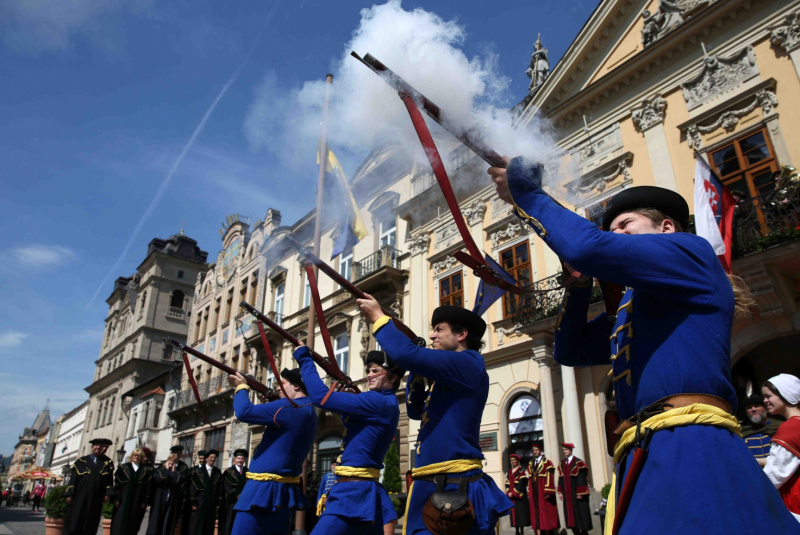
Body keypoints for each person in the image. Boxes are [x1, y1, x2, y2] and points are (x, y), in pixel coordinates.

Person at [488, 159, 800, 533]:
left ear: (666, 228)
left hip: (689, 441)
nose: (616, 234)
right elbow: (569, 351)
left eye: (625, 225)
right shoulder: (634, 305)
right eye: (612, 229)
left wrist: (528, 194)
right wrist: (579, 285)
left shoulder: (691, 251)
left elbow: (589, 247)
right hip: (644, 449)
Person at [356, 299, 512, 535]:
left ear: (462, 334)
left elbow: (402, 353)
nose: (432, 335)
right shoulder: (447, 376)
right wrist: (418, 373)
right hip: (434, 482)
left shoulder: (469, 362)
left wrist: (379, 317)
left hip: (452, 483)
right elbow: (417, 411)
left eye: (439, 329)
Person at [294, 348, 402, 535]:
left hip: (352, 491)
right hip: (361, 489)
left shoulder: (377, 401)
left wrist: (305, 359)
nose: (369, 375)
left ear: (392, 378)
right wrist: (349, 399)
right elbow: (353, 423)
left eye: (375, 371)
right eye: (368, 371)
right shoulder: (383, 402)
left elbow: (320, 397)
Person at [226, 367, 318, 535]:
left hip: (262, 489)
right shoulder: (309, 411)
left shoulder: (287, 407)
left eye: (282, 383)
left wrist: (242, 387)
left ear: (296, 386)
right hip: (284, 490)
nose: (277, 388)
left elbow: (243, 412)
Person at [763, 374, 800, 521]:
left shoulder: (790, 428)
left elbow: (774, 475)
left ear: (784, 394)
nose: (765, 401)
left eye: (768, 396)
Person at [64, 438, 115, 535]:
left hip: (96, 495)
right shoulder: (82, 461)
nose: (98, 448)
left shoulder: (107, 462)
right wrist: (69, 494)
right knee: (75, 518)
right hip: (80, 495)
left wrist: (107, 494)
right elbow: (73, 479)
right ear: (92, 447)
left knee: (92, 519)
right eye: (96, 445)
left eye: (101, 446)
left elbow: (109, 481)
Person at [112, 448, 153, 535]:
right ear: (132, 456)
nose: (136, 457)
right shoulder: (124, 468)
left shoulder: (146, 470)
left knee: (133, 521)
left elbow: (148, 487)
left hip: (137, 499)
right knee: (119, 521)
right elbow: (117, 484)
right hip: (124, 498)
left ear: (141, 457)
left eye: (138, 456)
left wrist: (144, 501)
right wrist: (117, 498)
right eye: (134, 455)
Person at [147, 454, 186, 535]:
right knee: (155, 522)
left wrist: (173, 471)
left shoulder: (177, 473)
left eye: (174, 461)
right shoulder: (160, 470)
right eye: (170, 460)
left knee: (167, 522)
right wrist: (166, 469)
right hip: (159, 500)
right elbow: (158, 479)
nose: (171, 462)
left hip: (170, 501)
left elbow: (178, 481)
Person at [556, 443, 591, 535]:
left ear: (570, 450)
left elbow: (582, 478)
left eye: (566, 450)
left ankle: (584, 533)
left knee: (581, 517)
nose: (564, 451)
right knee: (571, 519)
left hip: (576, 494)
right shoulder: (562, 464)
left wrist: (580, 492)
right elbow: (560, 478)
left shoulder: (578, 463)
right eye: (564, 450)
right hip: (567, 495)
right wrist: (560, 492)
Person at [187, 449, 222, 535]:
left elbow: (219, 488)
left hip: (211, 502)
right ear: (206, 458)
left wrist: (218, 503)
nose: (213, 459)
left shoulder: (217, 472)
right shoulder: (198, 471)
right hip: (200, 501)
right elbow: (193, 488)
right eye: (211, 457)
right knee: (197, 524)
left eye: (214, 457)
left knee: (209, 524)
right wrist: (193, 502)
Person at [740, 394, 781, 466]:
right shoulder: (742, 432)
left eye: (757, 406)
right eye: (749, 408)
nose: (753, 409)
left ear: (766, 409)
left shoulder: (780, 427)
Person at [527, 443, 558, 535]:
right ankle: (538, 531)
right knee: (536, 513)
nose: (535, 452)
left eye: (536, 450)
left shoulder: (547, 462)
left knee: (545, 513)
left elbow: (549, 477)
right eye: (534, 450)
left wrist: (548, 491)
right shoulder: (531, 463)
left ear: (540, 451)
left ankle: (548, 532)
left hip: (542, 490)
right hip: (534, 490)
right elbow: (529, 478)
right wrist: (529, 490)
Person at [220, 449, 249, 535]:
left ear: (244, 460)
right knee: (231, 523)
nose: (240, 460)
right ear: (235, 459)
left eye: (242, 459)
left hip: (245, 502)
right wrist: (237, 495)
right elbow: (226, 486)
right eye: (238, 458)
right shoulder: (229, 472)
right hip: (233, 502)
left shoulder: (248, 471)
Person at [505, 455, 529, 535]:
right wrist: (508, 492)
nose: (513, 462)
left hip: (519, 497)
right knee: (514, 515)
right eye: (512, 461)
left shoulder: (521, 471)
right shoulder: (509, 471)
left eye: (514, 460)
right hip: (512, 498)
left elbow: (522, 484)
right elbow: (507, 484)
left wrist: (514, 492)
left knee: (520, 514)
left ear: (517, 461)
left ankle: (521, 531)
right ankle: (516, 531)